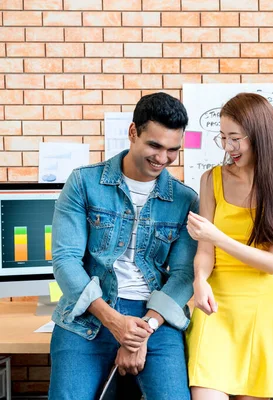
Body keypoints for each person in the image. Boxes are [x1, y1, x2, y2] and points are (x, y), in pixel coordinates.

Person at [49, 92, 197, 400]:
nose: (162, 158)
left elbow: (184, 275)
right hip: (88, 313)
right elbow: (65, 260)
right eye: (154, 145)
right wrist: (113, 320)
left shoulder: (186, 200)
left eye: (173, 150)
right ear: (133, 133)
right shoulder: (83, 183)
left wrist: (143, 330)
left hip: (155, 316)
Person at [185, 92, 273, 399]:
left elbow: (272, 263)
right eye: (223, 138)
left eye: (235, 138)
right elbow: (205, 252)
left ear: (259, 135)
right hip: (215, 310)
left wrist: (216, 236)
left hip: (262, 314)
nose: (228, 147)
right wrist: (199, 280)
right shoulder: (211, 179)